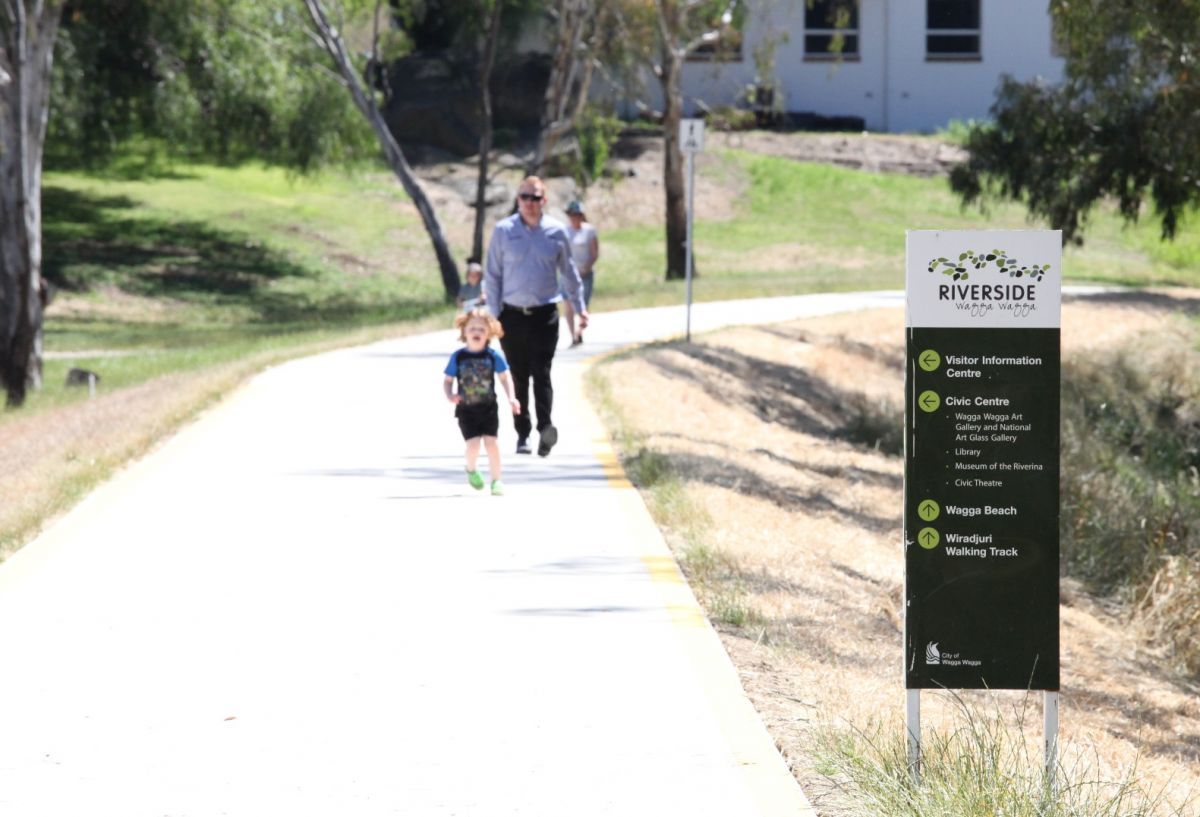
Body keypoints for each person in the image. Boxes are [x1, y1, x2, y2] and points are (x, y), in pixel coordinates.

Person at [485, 176, 587, 457]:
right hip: (512, 315)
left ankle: (545, 429)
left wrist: (580, 308)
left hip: (544, 315)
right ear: (518, 200)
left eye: (535, 197)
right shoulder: (503, 231)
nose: (530, 202)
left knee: (541, 371)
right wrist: (493, 317)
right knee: (518, 375)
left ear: (544, 201)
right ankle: (522, 433)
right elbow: (492, 275)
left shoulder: (556, 232)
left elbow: (569, 272)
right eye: (525, 197)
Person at [443, 308, 521, 496]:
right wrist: (450, 395)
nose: (476, 332)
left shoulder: (493, 356)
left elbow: (504, 378)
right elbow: (448, 380)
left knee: (492, 443)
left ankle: (496, 480)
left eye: (481, 329)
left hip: (488, 408)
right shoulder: (459, 356)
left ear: (489, 333)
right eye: (472, 328)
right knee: (473, 445)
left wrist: (512, 397)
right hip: (466, 409)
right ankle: (471, 469)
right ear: (464, 332)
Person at [562, 200, 599, 346]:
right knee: (568, 305)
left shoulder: (589, 231)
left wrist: (586, 267)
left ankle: (580, 330)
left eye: (577, 215)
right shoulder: (564, 231)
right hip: (568, 274)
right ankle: (573, 335)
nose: (574, 217)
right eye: (572, 215)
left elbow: (594, 252)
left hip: (585, 273)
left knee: (583, 305)